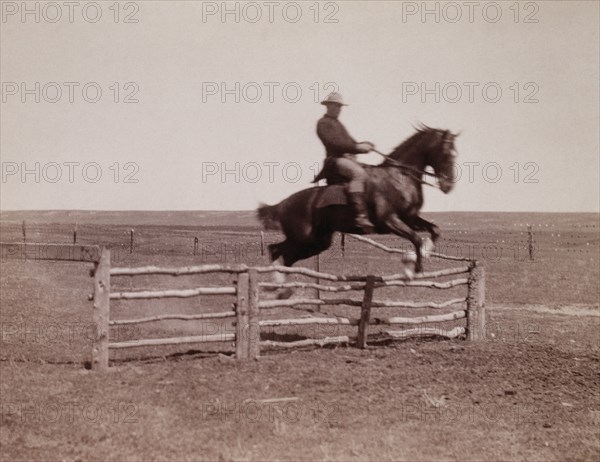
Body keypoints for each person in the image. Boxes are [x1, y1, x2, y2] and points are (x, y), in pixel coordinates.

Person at [316, 92, 375, 233]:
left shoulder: (338, 123)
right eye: (336, 105)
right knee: (359, 174)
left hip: (346, 158)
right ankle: (360, 216)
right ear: (328, 105)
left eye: (340, 106)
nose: (339, 108)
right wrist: (357, 148)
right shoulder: (323, 123)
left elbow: (349, 142)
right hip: (334, 160)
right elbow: (335, 144)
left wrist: (363, 144)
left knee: (372, 173)